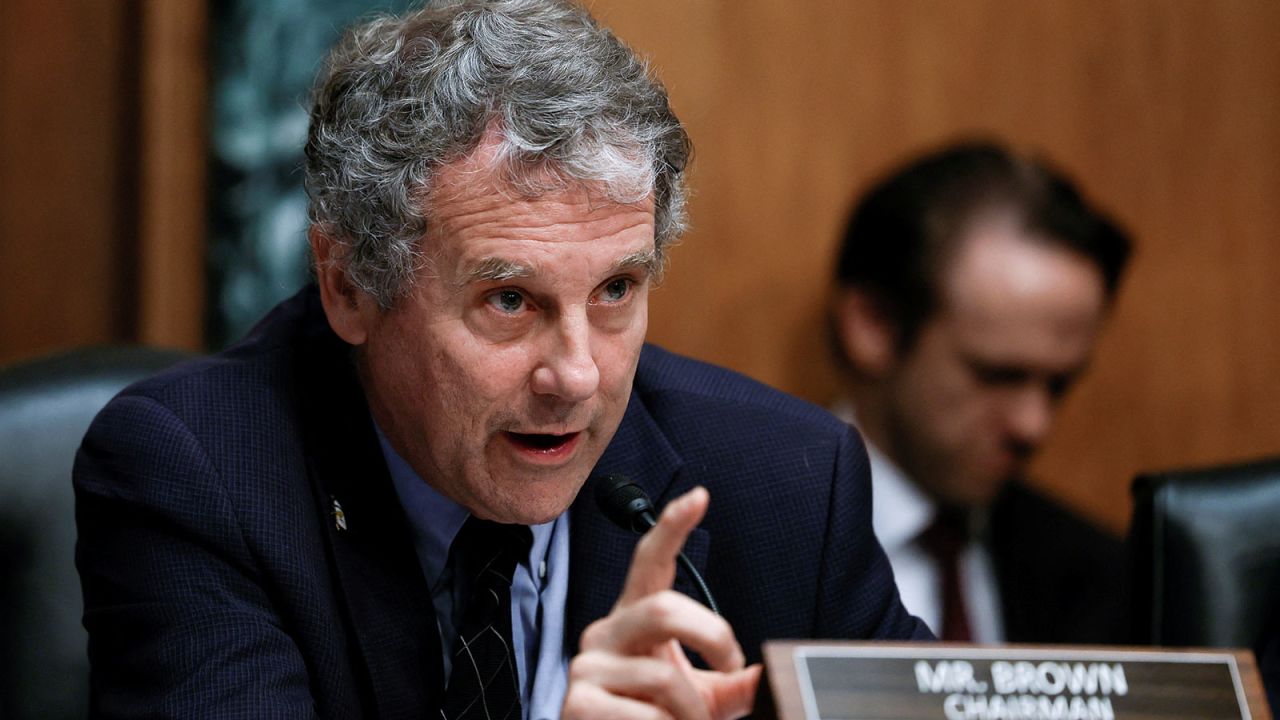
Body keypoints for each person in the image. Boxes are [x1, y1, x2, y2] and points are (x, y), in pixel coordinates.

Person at [73, 1, 929, 718]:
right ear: (349, 289)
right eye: (509, 301)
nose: (579, 376)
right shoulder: (199, 477)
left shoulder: (785, 484)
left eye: (616, 291)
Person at [829, 141, 1132, 644]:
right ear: (872, 326)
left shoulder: (1100, 575)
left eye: (1059, 385)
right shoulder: (747, 541)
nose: (1034, 424)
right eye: (998, 375)